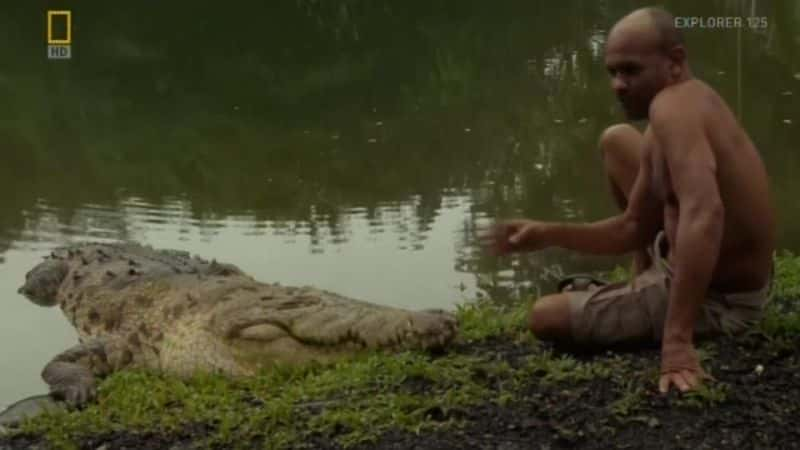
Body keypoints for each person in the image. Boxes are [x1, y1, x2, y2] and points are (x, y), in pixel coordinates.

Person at [483, 7, 776, 393]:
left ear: (675, 62)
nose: (618, 85)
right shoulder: (682, 102)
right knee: (617, 140)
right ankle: (642, 282)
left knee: (545, 316)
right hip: (716, 271)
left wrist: (677, 345)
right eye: (613, 73)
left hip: (723, 301)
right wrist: (547, 233)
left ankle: (654, 299)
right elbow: (632, 226)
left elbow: (705, 214)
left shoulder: (673, 109)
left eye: (631, 71)